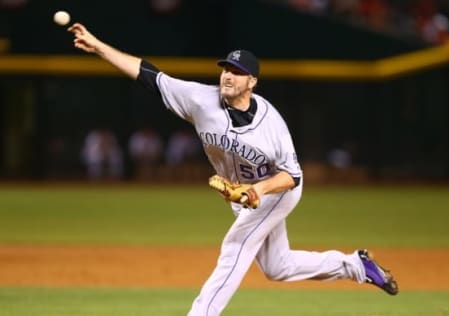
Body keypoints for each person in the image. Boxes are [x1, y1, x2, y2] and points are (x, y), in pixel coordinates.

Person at [68, 23, 398, 315]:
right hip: (244, 194)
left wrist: (257, 191)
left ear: (251, 81)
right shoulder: (201, 99)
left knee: (236, 247)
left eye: (237, 71)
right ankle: (356, 265)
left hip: (277, 191)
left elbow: (291, 176)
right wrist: (99, 47)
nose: (227, 74)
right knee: (277, 267)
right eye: (226, 68)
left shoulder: (272, 126)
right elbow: (148, 75)